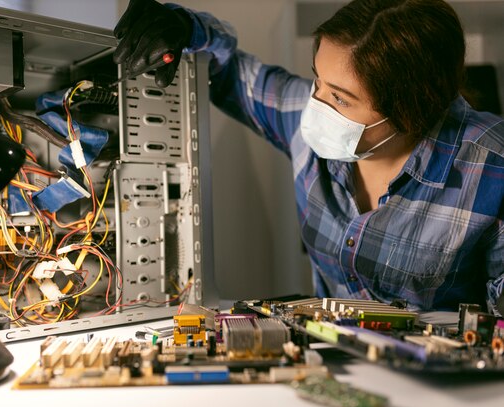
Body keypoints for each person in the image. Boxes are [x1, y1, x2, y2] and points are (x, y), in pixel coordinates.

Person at [113, 0, 504, 314]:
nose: (315, 106)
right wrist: (180, 27)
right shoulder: (308, 114)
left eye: (339, 98)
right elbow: (227, 70)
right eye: (318, 79)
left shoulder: (491, 165)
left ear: (410, 111)